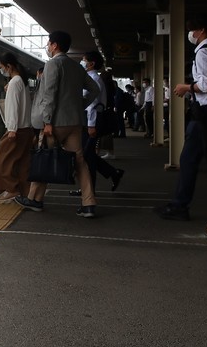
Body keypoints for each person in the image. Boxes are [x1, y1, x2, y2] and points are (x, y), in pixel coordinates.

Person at [14, 30, 100, 218]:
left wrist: (47, 121)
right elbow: (94, 89)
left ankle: (34, 200)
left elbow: (49, 94)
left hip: (55, 123)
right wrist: (80, 106)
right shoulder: (77, 67)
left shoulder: (53, 65)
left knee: (43, 157)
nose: (47, 46)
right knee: (80, 162)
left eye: (48, 43)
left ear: (54, 45)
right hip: (75, 122)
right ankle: (89, 203)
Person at [155, 14, 207, 221]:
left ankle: (180, 206)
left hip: (206, 111)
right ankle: (180, 204)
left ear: (200, 30)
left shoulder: (204, 52)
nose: (190, 34)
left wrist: (186, 87)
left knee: (189, 158)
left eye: (191, 30)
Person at [70, 51, 125, 198]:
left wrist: (91, 125)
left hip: (91, 122)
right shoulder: (91, 78)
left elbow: (93, 106)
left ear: (91, 63)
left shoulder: (93, 79)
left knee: (87, 157)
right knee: (88, 156)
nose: (82, 62)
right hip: (88, 122)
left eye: (84, 60)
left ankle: (90, 190)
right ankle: (109, 176)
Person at [0, 52, 34, 203]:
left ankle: (11, 189)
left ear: (9, 66)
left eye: (2, 67)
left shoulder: (15, 82)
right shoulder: (20, 81)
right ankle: (25, 194)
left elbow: (14, 107)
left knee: (0, 158)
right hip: (26, 129)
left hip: (16, 130)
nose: (1, 70)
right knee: (23, 163)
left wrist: (12, 129)